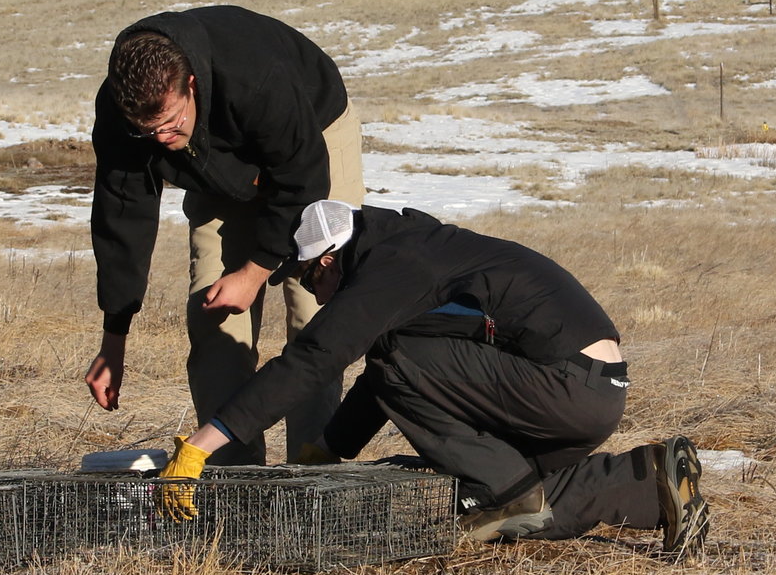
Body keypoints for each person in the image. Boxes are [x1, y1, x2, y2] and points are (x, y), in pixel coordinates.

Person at [151, 200, 710, 556]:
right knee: (514, 503)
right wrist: (328, 451)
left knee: (403, 368)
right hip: (585, 387)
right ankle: (652, 479)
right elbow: (399, 370)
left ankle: (504, 492)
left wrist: (203, 443)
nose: (312, 295)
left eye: (304, 281)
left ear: (325, 261)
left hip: (566, 385)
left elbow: (319, 358)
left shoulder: (392, 268)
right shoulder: (408, 248)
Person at [85, 7, 365, 464]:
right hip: (216, 171)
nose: (160, 139)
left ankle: (315, 478)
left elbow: (302, 179)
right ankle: (234, 482)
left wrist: (255, 271)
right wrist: (113, 339)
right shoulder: (125, 115)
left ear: (189, 84)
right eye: (147, 132)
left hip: (312, 137)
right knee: (211, 312)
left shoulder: (256, 73)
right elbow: (122, 217)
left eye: (171, 122)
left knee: (313, 309)